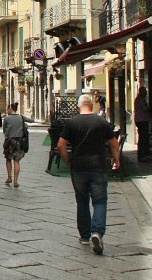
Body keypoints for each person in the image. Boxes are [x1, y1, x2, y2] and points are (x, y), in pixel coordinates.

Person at [57, 94, 121, 256]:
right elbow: (114, 142)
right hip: (98, 167)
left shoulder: (72, 122)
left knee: (82, 201)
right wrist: (116, 159)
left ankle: (85, 235)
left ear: (79, 106)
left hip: (78, 168)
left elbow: (61, 145)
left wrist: (68, 160)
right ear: (91, 105)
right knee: (100, 202)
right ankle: (97, 232)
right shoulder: (101, 122)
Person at [2, 102, 27, 187]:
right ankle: (16, 181)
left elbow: (4, 130)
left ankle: (9, 177)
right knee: (17, 161)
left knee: (8, 159)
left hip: (9, 140)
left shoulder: (6, 118)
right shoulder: (21, 118)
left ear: (10, 109)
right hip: (19, 141)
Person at [134, 86, 152, 162]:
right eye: (145, 92)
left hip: (139, 120)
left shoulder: (138, 99)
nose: (146, 93)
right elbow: (145, 108)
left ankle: (143, 155)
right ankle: (142, 155)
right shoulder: (140, 100)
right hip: (142, 121)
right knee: (143, 138)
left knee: (142, 137)